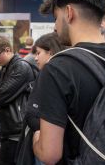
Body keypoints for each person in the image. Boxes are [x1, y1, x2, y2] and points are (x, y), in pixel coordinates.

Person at [32, 0, 105, 164]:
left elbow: (50, 154)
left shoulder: (58, 68)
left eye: (56, 18)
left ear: (69, 12)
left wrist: (36, 138)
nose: (55, 27)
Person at [0, 36, 35, 165]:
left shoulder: (21, 67)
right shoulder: (5, 68)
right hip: (8, 129)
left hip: (17, 132)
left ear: (7, 49)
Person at [16, 32, 65, 165]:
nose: (36, 58)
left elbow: (35, 116)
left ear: (51, 52)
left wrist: (38, 130)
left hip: (46, 146)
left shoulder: (49, 76)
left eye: (38, 53)